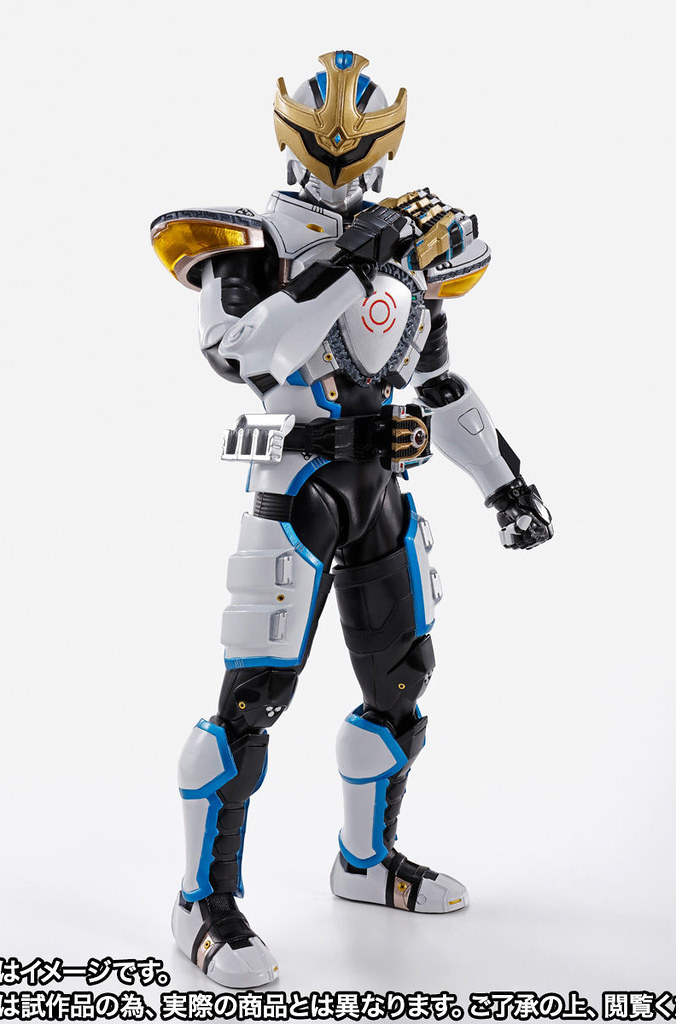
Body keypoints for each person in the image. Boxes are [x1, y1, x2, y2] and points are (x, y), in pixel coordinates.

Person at [151, 49, 553, 990]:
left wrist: (505, 484)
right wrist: (351, 260)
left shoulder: (410, 250)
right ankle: (200, 903)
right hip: (295, 487)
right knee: (252, 698)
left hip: (381, 490)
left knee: (402, 683)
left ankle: (364, 865)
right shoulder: (248, 246)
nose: (338, 153)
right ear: (288, 136)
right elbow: (254, 354)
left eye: (359, 142)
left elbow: (439, 387)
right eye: (321, 138)